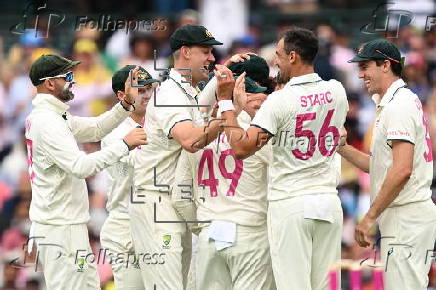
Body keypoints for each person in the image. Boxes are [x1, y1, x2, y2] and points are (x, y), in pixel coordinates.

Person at [214, 27, 349, 289]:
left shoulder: (279, 100)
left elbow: (242, 148)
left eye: (278, 54)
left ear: (293, 57)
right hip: (328, 202)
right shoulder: (337, 91)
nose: (275, 61)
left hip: (291, 203)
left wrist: (227, 104)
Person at [24, 54, 147, 289]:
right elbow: (80, 167)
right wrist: (124, 144)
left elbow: (96, 129)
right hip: (61, 227)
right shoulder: (47, 122)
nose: (74, 81)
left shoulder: (53, 116)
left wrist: (125, 106)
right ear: (50, 83)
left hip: (64, 224)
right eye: (68, 76)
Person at [129, 25, 233, 289]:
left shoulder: (184, 89)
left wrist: (227, 69)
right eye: (206, 52)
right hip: (156, 201)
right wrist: (227, 114)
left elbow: (200, 106)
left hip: (173, 201)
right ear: (185, 52)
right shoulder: (170, 94)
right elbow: (191, 140)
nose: (212, 58)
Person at [339, 39, 436, 290]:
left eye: (365, 66)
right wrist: (344, 149)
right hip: (404, 215)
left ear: (385, 65)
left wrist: (369, 216)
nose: (360, 75)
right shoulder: (396, 102)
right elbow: (381, 166)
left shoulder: (399, 106)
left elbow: (402, 170)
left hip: (407, 216)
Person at [172, 56, 275, 290]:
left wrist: (203, 226)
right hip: (251, 232)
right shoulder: (259, 133)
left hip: (209, 234)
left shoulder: (198, 134)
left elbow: (180, 196)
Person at [100, 65, 159, 290]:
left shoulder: (159, 121)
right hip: (125, 225)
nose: (146, 95)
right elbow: (143, 161)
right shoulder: (112, 130)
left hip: (157, 221)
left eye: (148, 89)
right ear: (121, 95)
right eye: (140, 90)